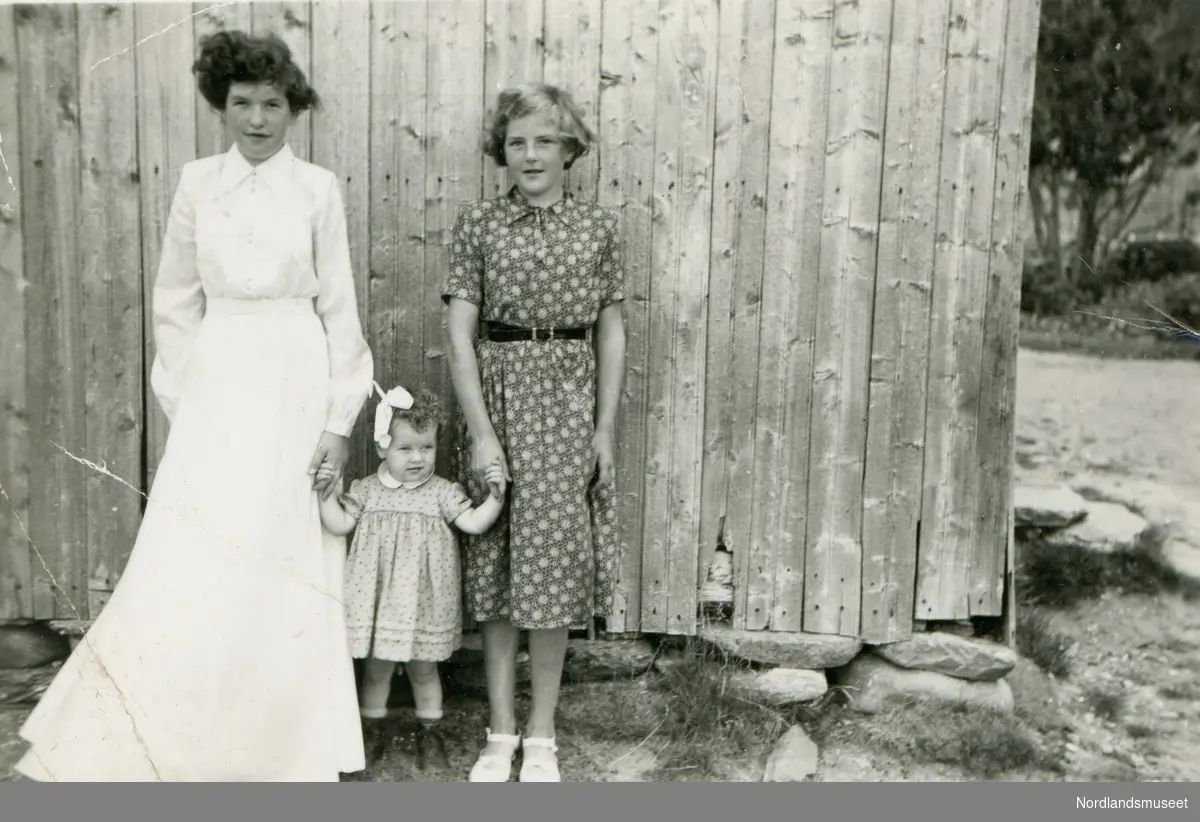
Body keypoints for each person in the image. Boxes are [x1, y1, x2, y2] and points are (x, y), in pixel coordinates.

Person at [14, 30, 374, 782]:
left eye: (272, 103)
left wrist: (339, 423)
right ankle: (174, 727)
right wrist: (188, 401)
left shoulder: (317, 189)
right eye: (242, 103)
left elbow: (339, 307)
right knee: (200, 543)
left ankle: (282, 742)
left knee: (285, 546)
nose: (256, 119)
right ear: (222, 106)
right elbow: (175, 299)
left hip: (295, 373)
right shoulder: (196, 182)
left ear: (292, 109)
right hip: (218, 379)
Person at [442, 83, 627, 783]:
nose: (530, 155)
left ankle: (542, 735)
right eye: (517, 142)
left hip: (568, 405)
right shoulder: (479, 226)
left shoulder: (600, 230)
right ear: (502, 151)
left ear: (570, 150)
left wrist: (603, 430)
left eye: (545, 141)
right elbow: (460, 332)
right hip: (496, 396)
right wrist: (482, 435)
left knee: (550, 571)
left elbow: (611, 331)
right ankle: (500, 733)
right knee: (494, 572)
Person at [316, 384, 507, 771]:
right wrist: (324, 497)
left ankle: (430, 733)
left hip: (424, 604)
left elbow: (472, 523)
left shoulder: (442, 492)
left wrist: (495, 498)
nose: (417, 458)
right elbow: (337, 524)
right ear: (383, 447)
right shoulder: (366, 491)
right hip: (379, 602)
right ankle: (371, 733)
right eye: (405, 449)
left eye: (426, 447)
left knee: (424, 669)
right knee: (376, 668)